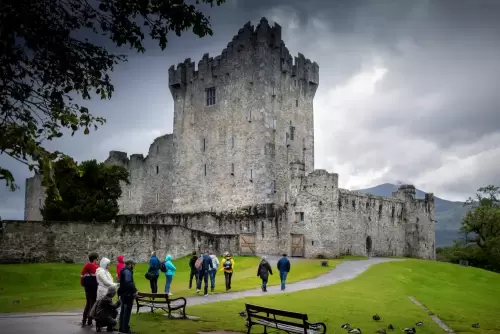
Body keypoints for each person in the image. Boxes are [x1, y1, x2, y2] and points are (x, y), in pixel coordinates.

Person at [118, 259, 138, 334]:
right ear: (130, 264)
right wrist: (135, 290)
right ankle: (125, 329)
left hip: (123, 294)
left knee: (123, 312)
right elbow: (129, 282)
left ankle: (121, 328)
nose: (134, 266)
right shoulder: (127, 271)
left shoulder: (124, 270)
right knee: (126, 312)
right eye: (133, 265)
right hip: (127, 295)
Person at [80, 252, 99, 327]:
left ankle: (84, 320)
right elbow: (98, 277)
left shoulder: (86, 266)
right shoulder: (94, 266)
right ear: (95, 258)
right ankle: (89, 321)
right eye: (97, 258)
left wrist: (84, 285)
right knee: (92, 304)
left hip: (87, 287)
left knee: (88, 304)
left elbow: (82, 277)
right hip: (93, 288)